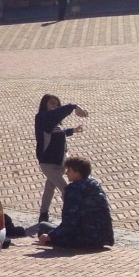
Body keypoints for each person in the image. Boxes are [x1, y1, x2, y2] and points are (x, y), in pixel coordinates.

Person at [37, 156, 114, 249]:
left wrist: (50, 236)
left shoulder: (72, 190)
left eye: (69, 170)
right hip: (103, 237)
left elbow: (70, 222)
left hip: (82, 239)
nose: (66, 173)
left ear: (77, 174)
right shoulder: (95, 184)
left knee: (43, 226)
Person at [35, 93, 89, 223]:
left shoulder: (55, 123)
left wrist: (72, 130)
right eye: (51, 103)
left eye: (56, 104)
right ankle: (75, 216)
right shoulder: (42, 118)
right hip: (47, 163)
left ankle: (43, 215)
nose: (55, 106)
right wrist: (73, 106)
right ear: (45, 105)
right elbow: (55, 115)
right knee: (66, 190)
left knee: (49, 188)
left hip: (60, 163)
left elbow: (60, 131)